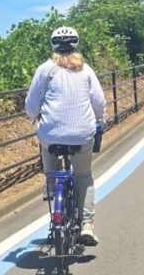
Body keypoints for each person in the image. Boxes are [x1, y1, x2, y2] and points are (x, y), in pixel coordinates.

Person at [25, 26, 106, 246]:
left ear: (53, 45)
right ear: (76, 44)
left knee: (45, 140)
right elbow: (99, 102)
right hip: (82, 134)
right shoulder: (86, 70)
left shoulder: (45, 69)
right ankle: (87, 225)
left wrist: (34, 116)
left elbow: (31, 106)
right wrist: (100, 119)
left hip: (51, 134)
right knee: (84, 175)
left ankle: (51, 183)